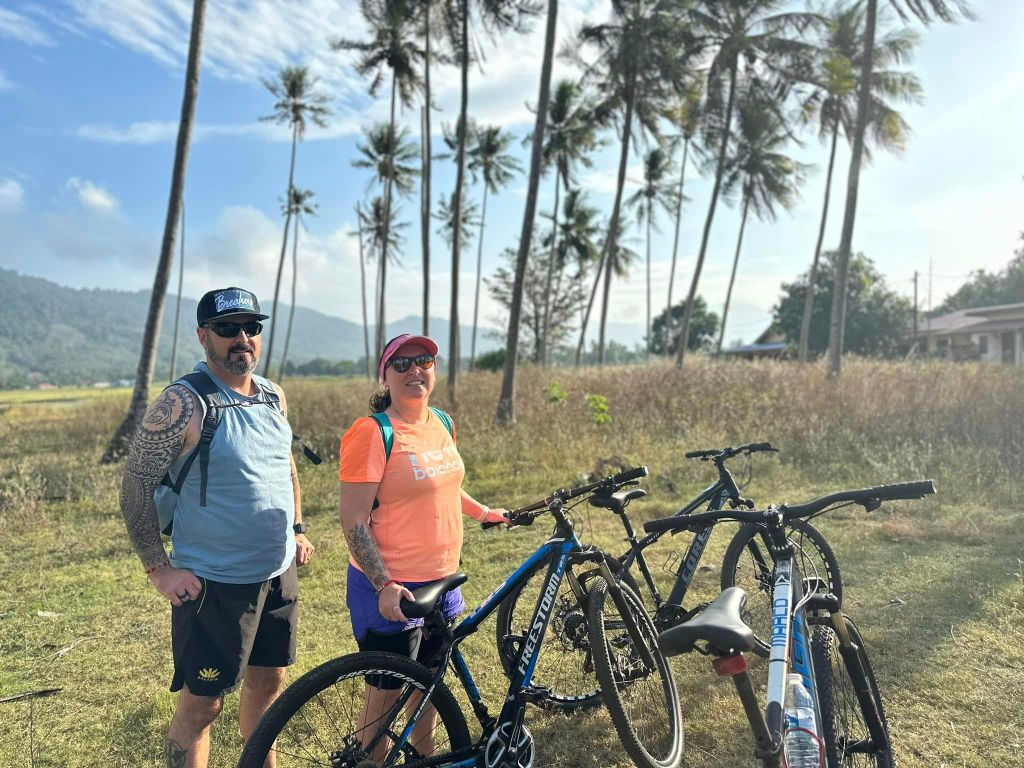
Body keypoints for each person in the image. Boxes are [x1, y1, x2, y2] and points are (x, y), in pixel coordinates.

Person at [119, 286, 314, 768]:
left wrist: (297, 527)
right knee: (203, 705)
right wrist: (159, 570)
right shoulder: (184, 402)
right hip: (214, 582)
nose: (242, 338)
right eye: (228, 329)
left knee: (269, 685)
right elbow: (135, 487)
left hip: (277, 573)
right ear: (204, 336)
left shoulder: (273, 395)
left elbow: (283, 465)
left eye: (251, 327)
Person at [338, 333, 507, 755]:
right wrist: (383, 585)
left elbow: (444, 487)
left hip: (442, 582)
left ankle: (425, 760)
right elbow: (354, 520)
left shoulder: (442, 423)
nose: (416, 370)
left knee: (428, 692)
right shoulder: (373, 433)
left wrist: (485, 513)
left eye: (425, 360)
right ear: (386, 377)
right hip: (393, 590)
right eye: (403, 363)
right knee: (384, 705)